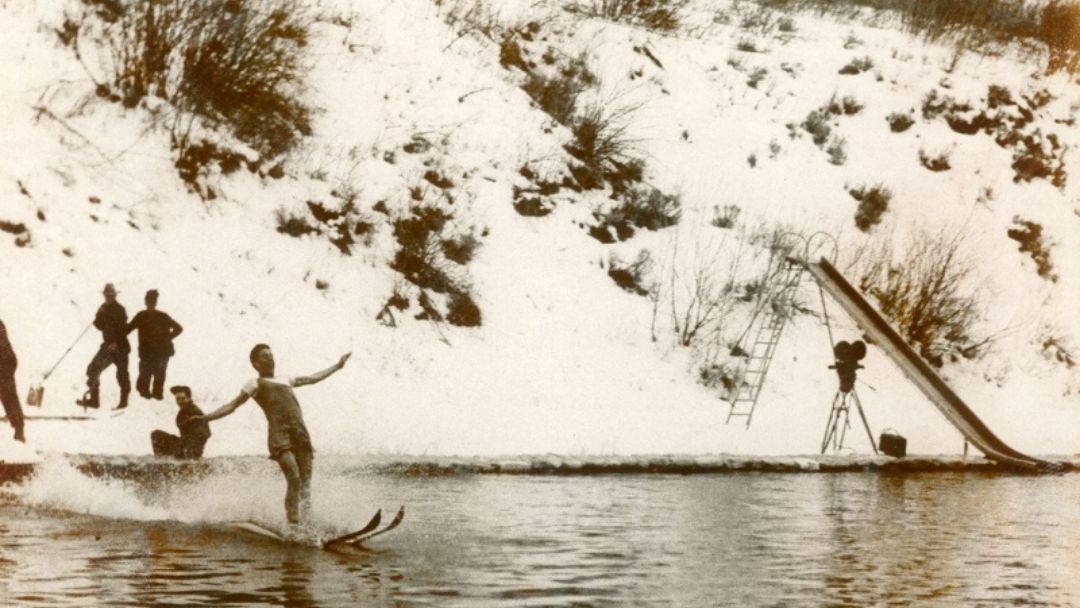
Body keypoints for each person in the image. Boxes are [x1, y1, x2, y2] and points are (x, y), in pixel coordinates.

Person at [201, 345, 351, 527]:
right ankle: (293, 524)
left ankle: (308, 524)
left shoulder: (286, 378)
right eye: (265, 356)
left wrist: (337, 366)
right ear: (255, 364)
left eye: (271, 355)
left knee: (305, 485)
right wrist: (206, 418)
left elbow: (313, 379)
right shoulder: (254, 383)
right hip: (280, 437)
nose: (270, 359)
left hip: (300, 435)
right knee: (294, 478)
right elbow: (232, 405)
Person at [78, 283, 131, 410]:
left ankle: (123, 402)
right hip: (107, 346)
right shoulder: (103, 307)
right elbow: (99, 325)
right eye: (106, 295)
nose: (108, 297)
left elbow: (123, 329)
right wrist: (99, 316)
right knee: (93, 369)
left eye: (110, 295)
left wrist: (115, 342)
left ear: (114, 295)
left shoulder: (120, 309)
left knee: (122, 375)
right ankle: (94, 401)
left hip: (120, 347)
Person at [127, 289, 183, 400]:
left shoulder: (142, 315)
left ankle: (149, 396)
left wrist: (166, 338)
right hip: (161, 351)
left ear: (146, 302)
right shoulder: (162, 316)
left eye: (151, 301)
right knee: (158, 375)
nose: (150, 303)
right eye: (150, 301)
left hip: (153, 351)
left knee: (147, 375)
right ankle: (155, 395)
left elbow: (127, 329)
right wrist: (167, 338)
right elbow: (179, 328)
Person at [151, 385, 210, 459]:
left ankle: (160, 460)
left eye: (183, 398)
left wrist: (190, 455)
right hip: (184, 445)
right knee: (157, 434)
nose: (180, 402)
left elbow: (204, 434)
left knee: (156, 434)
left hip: (189, 449)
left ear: (189, 398)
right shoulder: (186, 410)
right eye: (177, 399)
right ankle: (162, 459)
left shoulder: (194, 411)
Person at [0, 319, 26, 442]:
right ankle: (18, 427)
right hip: (6, 361)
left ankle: (19, 429)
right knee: (9, 396)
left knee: (8, 396)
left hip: (4, 363)